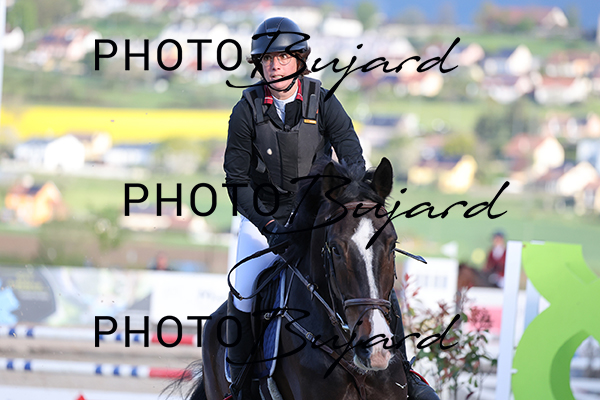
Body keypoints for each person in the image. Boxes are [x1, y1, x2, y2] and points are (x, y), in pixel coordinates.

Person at [223, 17, 439, 400]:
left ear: (299, 60)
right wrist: (268, 224)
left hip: (319, 213)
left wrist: (348, 202)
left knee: (372, 284)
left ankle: (405, 373)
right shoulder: (246, 109)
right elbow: (236, 180)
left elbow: (352, 156)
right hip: (265, 219)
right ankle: (238, 385)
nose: (274, 65)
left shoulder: (322, 101)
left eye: (283, 58)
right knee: (244, 288)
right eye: (268, 59)